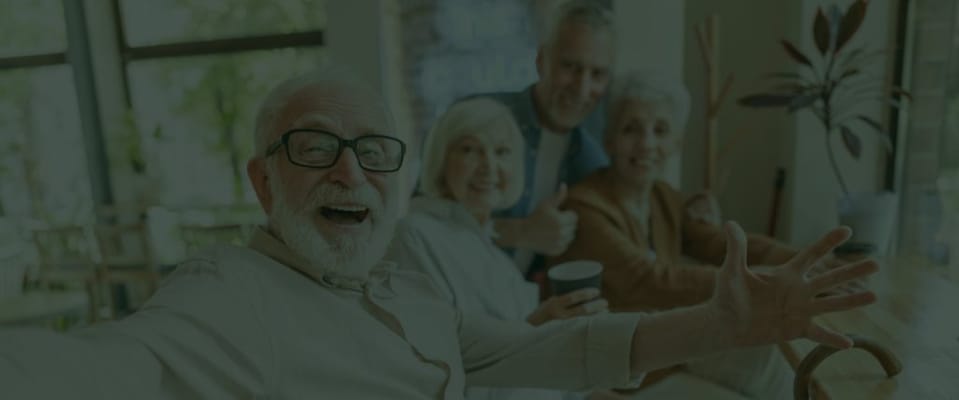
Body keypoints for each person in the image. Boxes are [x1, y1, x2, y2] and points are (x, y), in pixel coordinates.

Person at [0, 67, 878, 399]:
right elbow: (121, 363)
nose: (349, 172)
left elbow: (545, 354)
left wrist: (720, 325)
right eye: (315, 149)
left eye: (372, 152)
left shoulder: (403, 291)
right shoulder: (231, 291)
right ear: (263, 181)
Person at [547, 71, 858, 398]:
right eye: (630, 129)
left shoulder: (662, 196)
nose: (647, 143)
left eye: (661, 130)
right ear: (609, 139)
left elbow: (717, 242)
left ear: (676, 143)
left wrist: (803, 260)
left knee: (783, 358)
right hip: (619, 368)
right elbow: (649, 279)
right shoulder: (585, 207)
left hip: (670, 349)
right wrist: (759, 281)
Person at [386, 97, 612, 400]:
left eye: (501, 152)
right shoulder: (415, 236)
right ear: (440, 161)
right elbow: (438, 366)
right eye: (469, 149)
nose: (489, 166)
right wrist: (536, 327)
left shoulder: (495, 257)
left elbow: (536, 369)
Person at [474, 0, 615, 277]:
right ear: (541, 61)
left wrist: (691, 218)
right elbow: (422, 223)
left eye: (597, 74)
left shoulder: (594, 163)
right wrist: (521, 232)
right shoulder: (479, 120)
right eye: (570, 67)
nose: (582, 88)